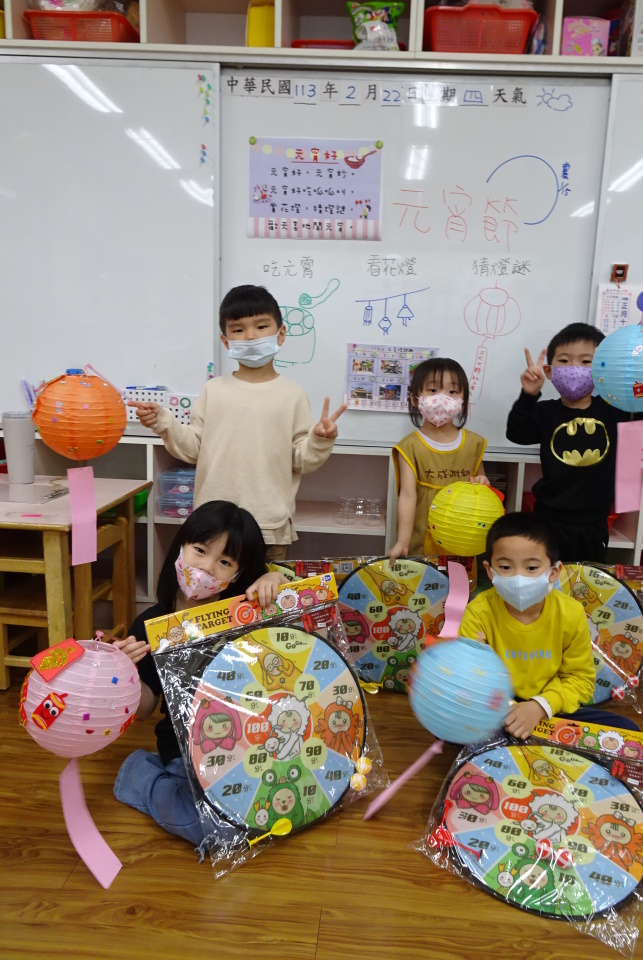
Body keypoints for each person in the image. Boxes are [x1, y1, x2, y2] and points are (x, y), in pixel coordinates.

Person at [112, 500, 288, 848]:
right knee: (218, 829)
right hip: (185, 749)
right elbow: (145, 707)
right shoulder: (151, 624)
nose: (207, 567)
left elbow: (290, 632)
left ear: (238, 574)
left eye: (225, 562)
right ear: (181, 546)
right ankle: (137, 773)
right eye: (200, 550)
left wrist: (275, 578)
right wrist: (125, 674)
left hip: (247, 742)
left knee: (276, 807)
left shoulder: (245, 611)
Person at [129, 284, 346, 561]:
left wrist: (320, 439)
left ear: (281, 334)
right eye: (238, 329)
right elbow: (193, 449)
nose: (251, 336)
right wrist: (163, 421)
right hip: (213, 524)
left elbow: (301, 460)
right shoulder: (213, 390)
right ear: (225, 340)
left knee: (265, 589)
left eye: (261, 326)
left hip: (268, 527)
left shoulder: (293, 395)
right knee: (210, 589)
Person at [458, 512, 639, 740]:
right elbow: (471, 677)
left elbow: (581, 680)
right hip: (497, 708)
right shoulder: (478, 612)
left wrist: (539, 707)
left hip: (550, 707)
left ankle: (519, 740)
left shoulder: (570, 613)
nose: (518, 577)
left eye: (531, 568)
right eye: (505, 567)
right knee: (451, 726)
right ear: (489, 570)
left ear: (554, 572)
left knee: (625, 729)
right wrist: (511, 710)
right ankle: (526, 738)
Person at [506, 322, 643, 563]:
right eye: (564, 361)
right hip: (547, 520)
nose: (575, 369)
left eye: (586, 361)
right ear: (549, 371)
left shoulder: (615, 410)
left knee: (585, 581)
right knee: (546, 578)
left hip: (593, 524)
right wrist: (528, 395)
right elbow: (517, 434)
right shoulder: (544, 412)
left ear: (601, 368)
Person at [389, 358, 489, 562]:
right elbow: (407, 496)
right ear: (415, 399)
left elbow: (482, 486)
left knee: (460, 579)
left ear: (463, 401)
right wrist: (403, 542)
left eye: (453, 391)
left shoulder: (473, 444)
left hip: (461, 537)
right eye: (433, 390)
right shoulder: (409, 447)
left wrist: (482, 483)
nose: (443, 398)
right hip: (423, 538)